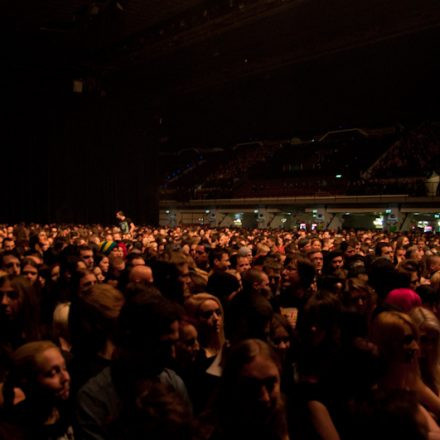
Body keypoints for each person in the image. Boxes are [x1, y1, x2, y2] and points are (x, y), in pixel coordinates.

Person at [199, 339, 289, 440]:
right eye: (251, 387)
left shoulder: (293, 420)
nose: (265, 398)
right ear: (231, 387)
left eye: (270, 384)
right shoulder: (210, 433)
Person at [0, 341, 74, 440]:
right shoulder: (14, 430)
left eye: (64, 368)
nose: (66, 377)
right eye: (53, 373)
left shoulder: (64, 408)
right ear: (27, 381)